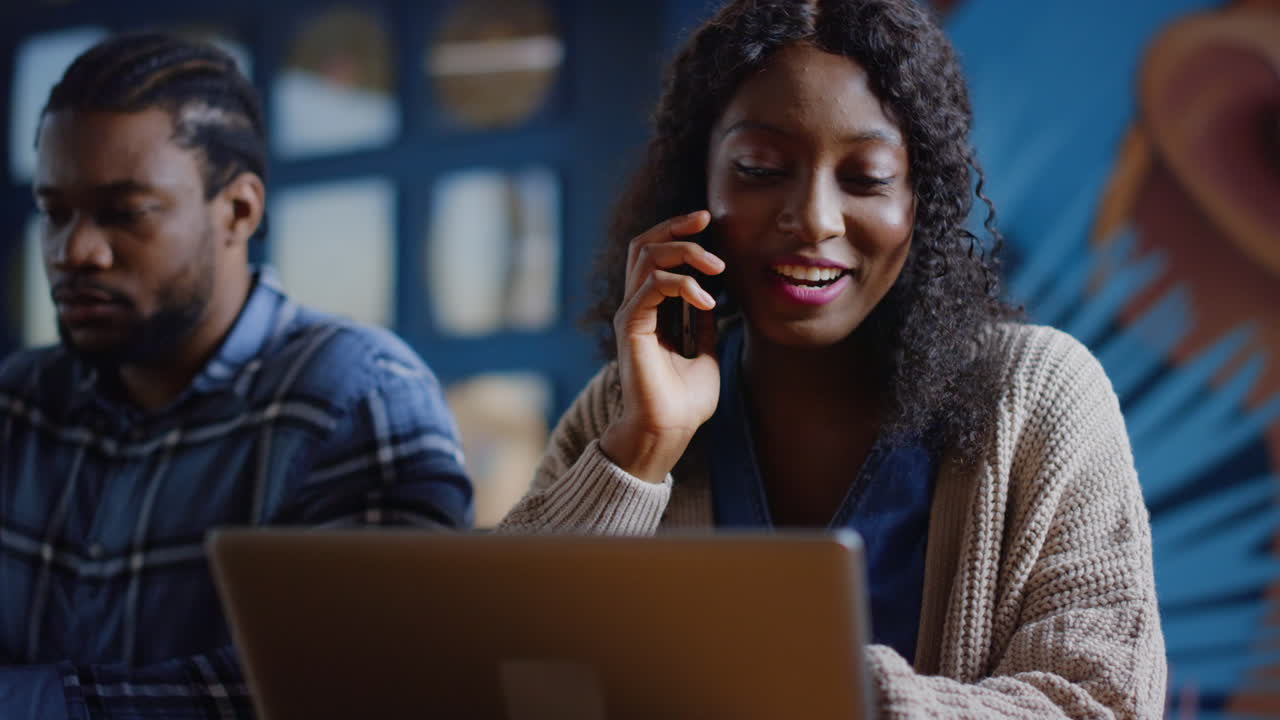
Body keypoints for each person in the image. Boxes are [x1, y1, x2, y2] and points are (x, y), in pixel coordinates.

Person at [499, 0, 1166, 717]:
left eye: (867, 177)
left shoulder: (1038, 396)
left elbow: (1101, 703)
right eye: (760, 168)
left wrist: (826, 689)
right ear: (702, 183)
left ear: (922, 200)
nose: (814, 219)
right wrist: (642, 448)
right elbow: (487, 662)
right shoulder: (624, 405)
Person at [0, 33, 473, 718]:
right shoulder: (18, 403)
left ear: (239, 211)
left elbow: (363, 682)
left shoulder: (359, 397)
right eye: (55, 213)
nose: (75, 251)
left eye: (124, 212)